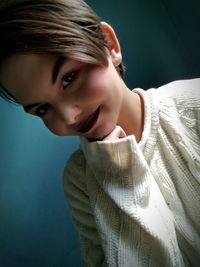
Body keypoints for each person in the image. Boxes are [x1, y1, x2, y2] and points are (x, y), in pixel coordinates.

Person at [0, 0, 199, 266]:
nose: (69, 117)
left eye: (68, 78)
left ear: (110, 45)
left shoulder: (193, 105)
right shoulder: (79, 180)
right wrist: (120, 174)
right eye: (43, 109)